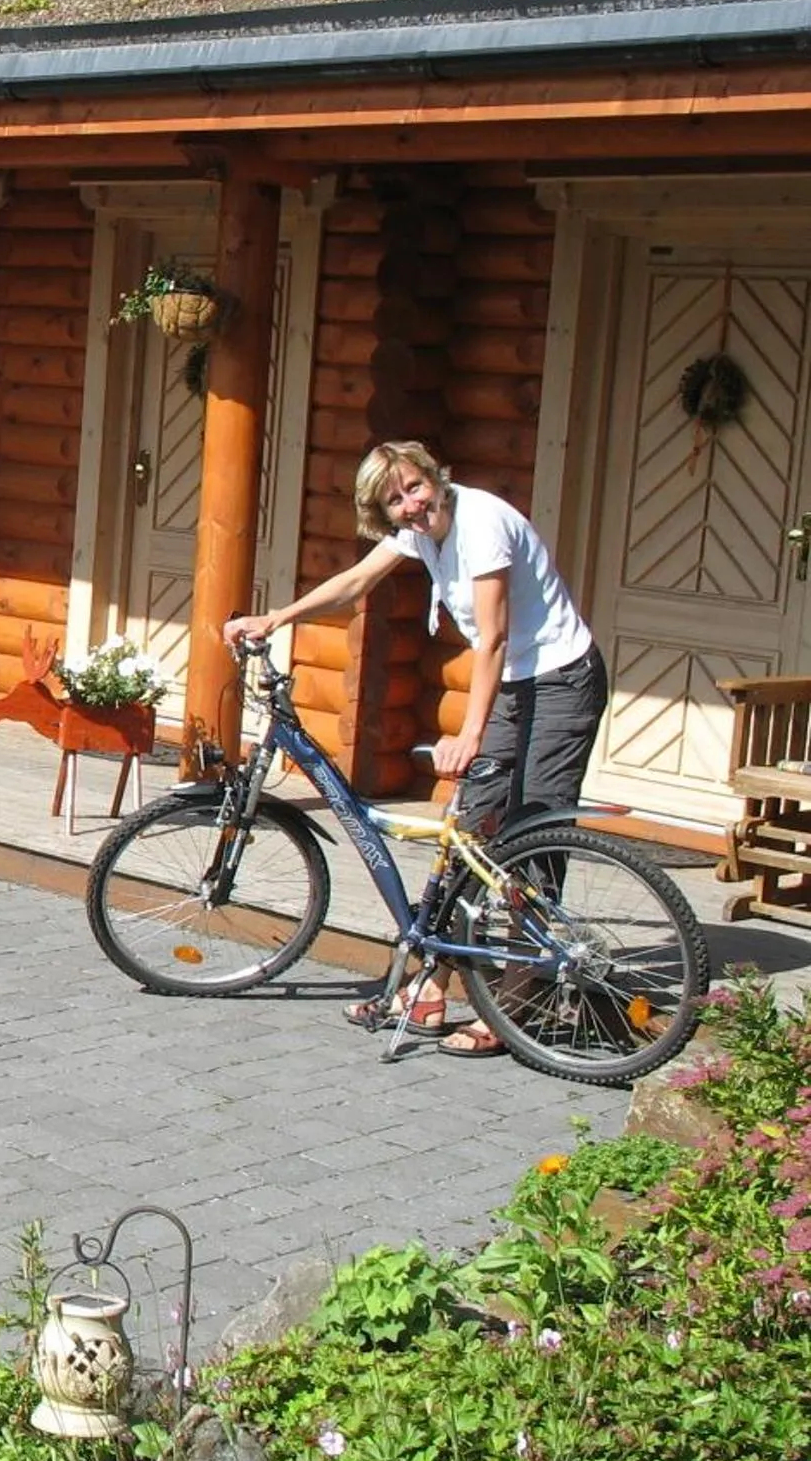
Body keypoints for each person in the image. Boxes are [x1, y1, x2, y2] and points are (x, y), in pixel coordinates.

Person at [224, 438, 607, 1060]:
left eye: (414, 487)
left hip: (560, 681)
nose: (410, 504)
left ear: (435, 477)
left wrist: (472, 735)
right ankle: (430, 986)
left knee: (534, 833)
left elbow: (494, 638)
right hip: (512, 685)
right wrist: (277, 618)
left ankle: (516, 1004)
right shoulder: (420, 532)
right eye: (394, 500)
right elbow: (355, 581)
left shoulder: (480, 524)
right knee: (470, 830)